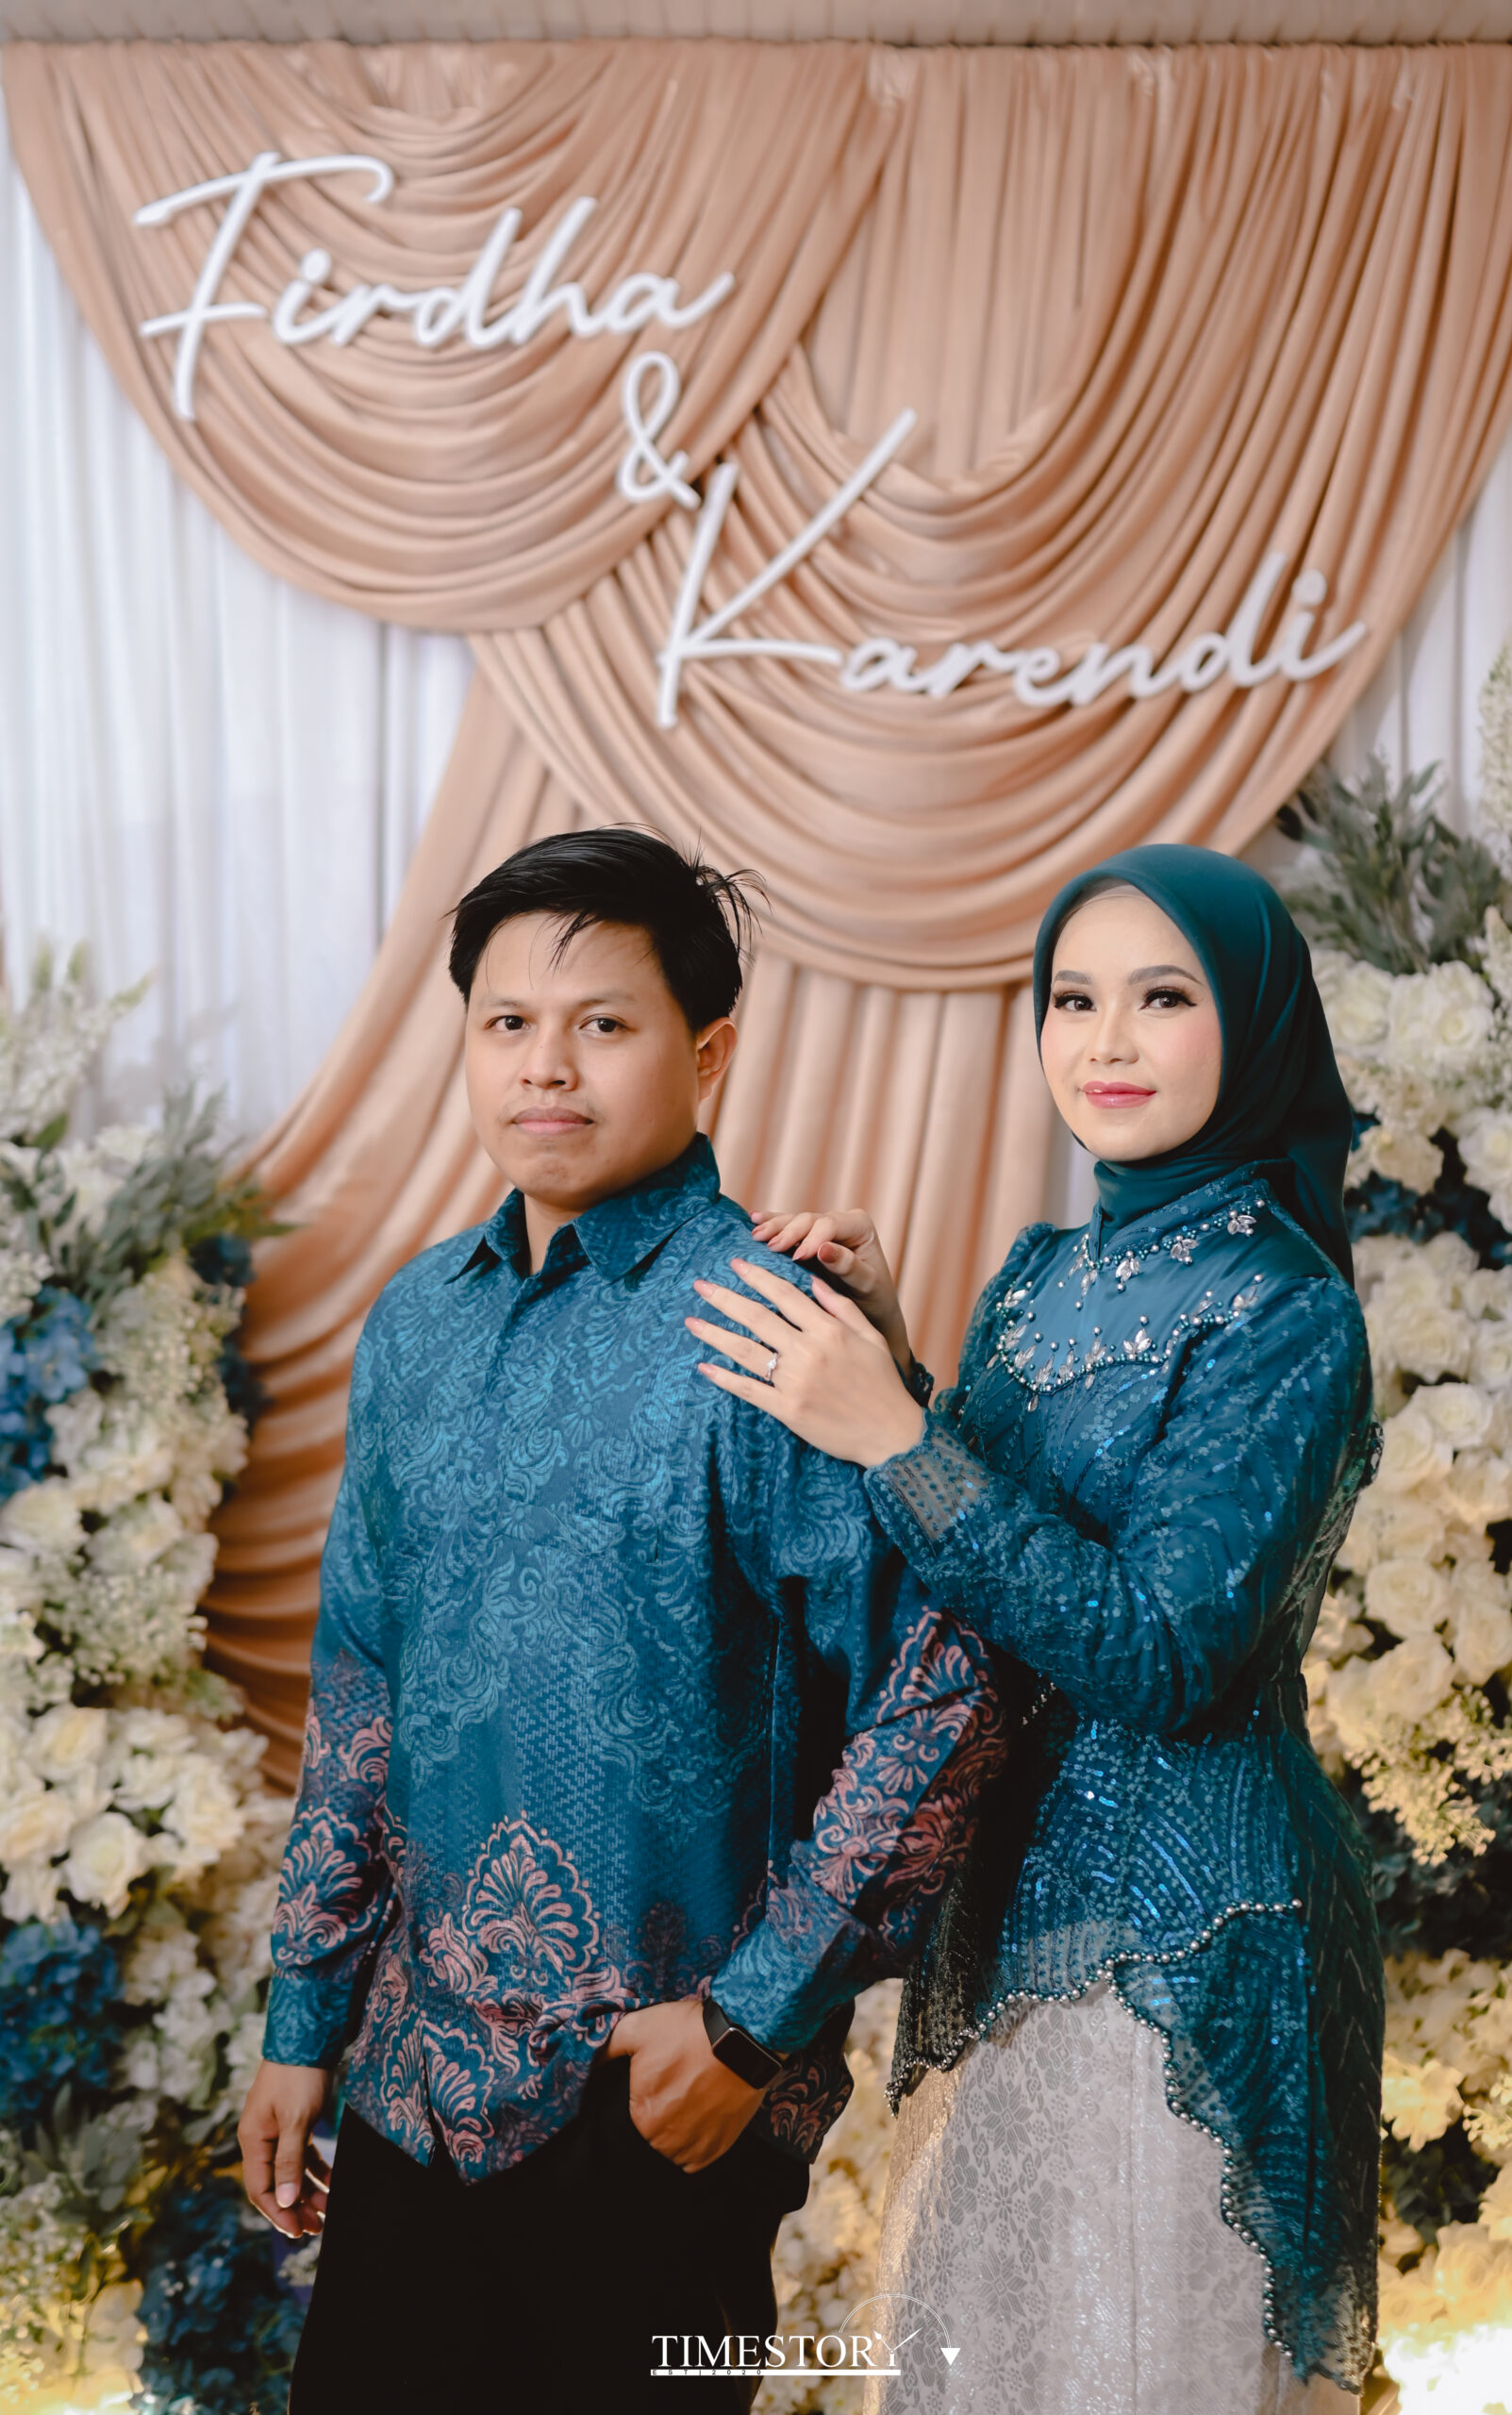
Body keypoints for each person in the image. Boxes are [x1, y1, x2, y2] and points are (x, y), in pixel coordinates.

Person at [236, 829, 1004, 2415]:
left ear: (706, 1053)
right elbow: (361, 1686)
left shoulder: (773, 1327)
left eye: (602, 1024)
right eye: (508, 1023)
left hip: (655, 2099)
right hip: (410, 2082)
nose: (546, 1066)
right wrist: (302, 2016)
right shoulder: (415, 1324)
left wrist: (748, 2027)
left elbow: (943, 1693)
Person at [690, 845, 1383, 2414]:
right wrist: (900, 1365)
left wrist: (890, 1435)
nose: (1106, 1042)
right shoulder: (1039, 1277)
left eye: (1162, 999)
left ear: (1255, 1022)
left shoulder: (1281, 1311)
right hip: (1000, 1918)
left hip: (1180, 1940)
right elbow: (999, 1564)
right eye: (1072, 1000)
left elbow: (1160, 1655)